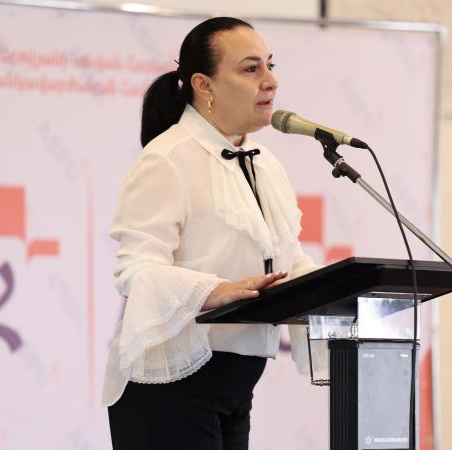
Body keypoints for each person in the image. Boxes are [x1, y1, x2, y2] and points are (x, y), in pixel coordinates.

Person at [103, 17, 319, 450]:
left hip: (236, 386)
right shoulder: (167, 158)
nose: (270, 81)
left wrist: (339, 293)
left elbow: (289, 259)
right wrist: (214, 291)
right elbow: (136, 270)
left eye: (270, 66)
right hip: (168, 385)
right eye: (251, 69)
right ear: (204, 85)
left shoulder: (265, 164)